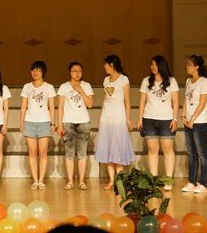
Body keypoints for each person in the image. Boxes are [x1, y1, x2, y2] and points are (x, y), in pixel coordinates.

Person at [137, 55, 179, 189]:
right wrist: (140, 119)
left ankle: (168, 180)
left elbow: (175, 101)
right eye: (151, 64)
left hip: (166, 119)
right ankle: (154, 179)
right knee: (152, 149)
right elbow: (142, 101)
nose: (153, 67)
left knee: (168, 149)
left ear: (162, 65)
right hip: (149, 119)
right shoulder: (146, 81)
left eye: (155, 64)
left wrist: (175, 119)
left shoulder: (171, 81)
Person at [94, 55, 135, 190]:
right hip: (107, 116)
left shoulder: (124, 79)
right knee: (108, 148)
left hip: (118, 116)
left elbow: (127, 101)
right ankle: (112, 180)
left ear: (111, 65)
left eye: (105, 64)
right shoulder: (106, 80)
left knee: (117, 148)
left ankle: (120, 181)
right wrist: (100, 117)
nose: (104, 67)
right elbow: (105, 100)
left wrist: (128, 119)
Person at [57, 61, 94, 190]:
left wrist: (81, 90)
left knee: (82, 152)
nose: (77, 73)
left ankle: (82, 181)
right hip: (68, 122)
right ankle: (70, 181)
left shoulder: (86, 85)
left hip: (83, 122)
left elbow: (90, 104)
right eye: (74, 71)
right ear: (70, 72)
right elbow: (60, 107)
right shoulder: (64, 87)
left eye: (79, 71)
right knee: (69, 153)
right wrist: (59, 125)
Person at [20, 60, 56, 190]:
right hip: (30, 122)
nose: (35, 72)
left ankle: (41, 180)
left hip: (44, 122)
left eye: (38, 70)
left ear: (43, 72)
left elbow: (51, 106)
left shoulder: (49, 87)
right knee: (32, 153)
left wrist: (53, 123)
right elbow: (23, 106)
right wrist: (21, 122)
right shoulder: (27, 86)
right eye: (33, 70)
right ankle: (35, 180)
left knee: (43, 153)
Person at [180, 54, 207, 194]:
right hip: (188, 122)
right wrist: (183, 115)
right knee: (191, 153)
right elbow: (186, 99)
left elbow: (202, 103)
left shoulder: (204, 82)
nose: (187, 66)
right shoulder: (188, 81)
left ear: (197, 67)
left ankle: (203, 183)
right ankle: (191, 182)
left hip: (199, 122)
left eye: (190, 64)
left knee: (202, 154)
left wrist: (192, 119)